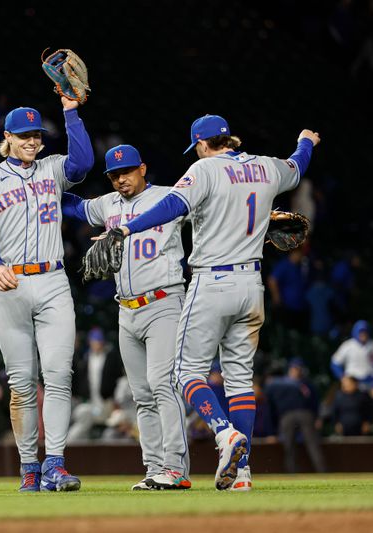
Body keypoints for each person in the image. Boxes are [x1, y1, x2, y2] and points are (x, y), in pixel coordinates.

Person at [113, 114, 320, 491]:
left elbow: (172, 205)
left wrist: (128, 227)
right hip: (252, 285)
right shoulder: (267, 167)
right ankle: (242, 473)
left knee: (185, 373)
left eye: (197, 148)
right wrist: (306, 140)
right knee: (240, 379)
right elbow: (298, 165)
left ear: (203, 145)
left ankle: (224, 433)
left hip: (212, 280)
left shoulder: (204, 169)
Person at [0, 96, 94, 492]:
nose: (32, 141)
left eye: (36, 135)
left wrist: (71, 111)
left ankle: (55, 463)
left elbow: (84, 163)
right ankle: (29, 468)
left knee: (58, 375)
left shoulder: (53, 169)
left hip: (53, 280)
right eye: (24, 135)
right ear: (7, 137)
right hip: (11, 284)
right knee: (22, 383)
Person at [62, 145, 191, 491]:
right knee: (142, 395)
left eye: (127, 171)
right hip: (126, 310)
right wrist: (45, 190)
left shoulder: (170, 198)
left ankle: (176, 467)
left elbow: (212, 208)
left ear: (143, 168)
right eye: (115, 175)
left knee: (164, 386)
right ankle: (154, 468)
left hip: (164, 302)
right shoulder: (108, 204)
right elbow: (74, 206)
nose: (121, 178)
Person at [265, 358, 326, 473]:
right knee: (289, 447)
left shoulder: (307, 384)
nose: (296, 371)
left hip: (305, 414)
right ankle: (291, 474)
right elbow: (271, 406)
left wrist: (317, 417)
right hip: (287, 415)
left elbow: (315, 402)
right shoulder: (280, 384)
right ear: (289, 369)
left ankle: (322, 472)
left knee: (313, 445)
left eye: (298, 369)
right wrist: (271, 431)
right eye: (294, 369)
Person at [330, 320, 373, 389]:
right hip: (353, 381)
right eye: (361, 332)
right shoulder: (348, 345)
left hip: (370, 381)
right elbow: (335, 363)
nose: (363, 334)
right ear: (355, 332)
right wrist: (343, 377)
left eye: (365, 332)